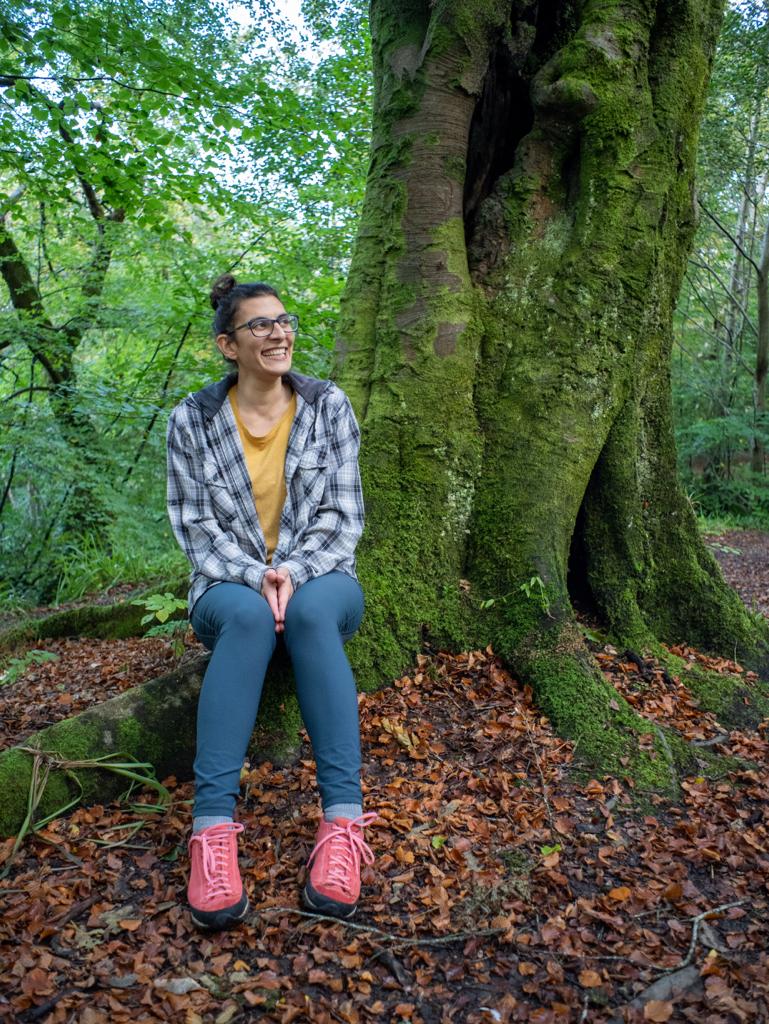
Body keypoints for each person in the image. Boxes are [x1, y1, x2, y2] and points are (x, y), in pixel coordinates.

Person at [166, 273, 376, 930]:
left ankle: (341, 826)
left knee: (312, 613)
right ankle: (212, 834)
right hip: (225, 587)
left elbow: (344, 516)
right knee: (250, 618)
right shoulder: (192, 420)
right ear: (228, 345)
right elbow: (195, 529)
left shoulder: (327, 406)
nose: (279, 332)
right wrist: (257, 577)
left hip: (321, 575)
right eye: (260, 324)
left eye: (283, 321)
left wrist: (292, 570)